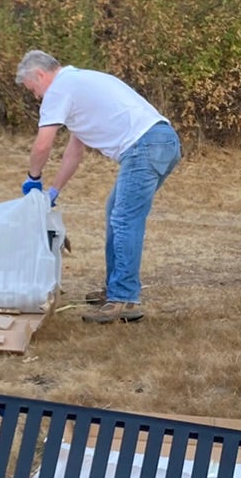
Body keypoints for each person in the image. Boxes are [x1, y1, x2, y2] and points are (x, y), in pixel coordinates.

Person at [16, 50, 181, 324]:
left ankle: (123, 299)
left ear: (40, 75)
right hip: (161, 142)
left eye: (34, 90)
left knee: (124, 219)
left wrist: (33, 178)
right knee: (116, 213)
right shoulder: (79, 85)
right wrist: (53, 192)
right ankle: (116, 290)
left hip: (145, 146)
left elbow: (43, 144)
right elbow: (74, 153)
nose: (37, 97)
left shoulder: (60, 89)